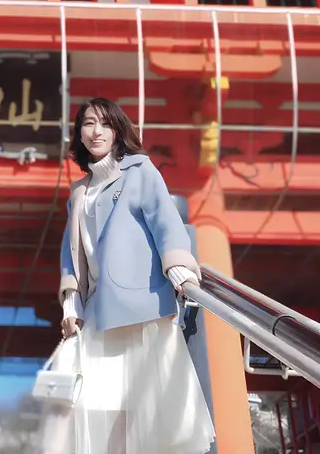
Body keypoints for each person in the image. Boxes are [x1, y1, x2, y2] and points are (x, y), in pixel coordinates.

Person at [56, 97, 215, 454]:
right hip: (98, 312)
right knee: (104, 407)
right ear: (79, 133)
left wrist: (177, 264)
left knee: (151, 408)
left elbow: (164, 218)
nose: (96, 132)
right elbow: (71, 252)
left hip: (141, 304)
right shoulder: (78, 192)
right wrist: (70, 302)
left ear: (118, 131)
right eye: (88, 124)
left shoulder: (140, 170)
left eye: (105, 124)